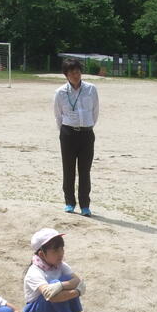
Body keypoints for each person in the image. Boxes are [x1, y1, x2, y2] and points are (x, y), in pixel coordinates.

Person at [23, 227, 96, 312]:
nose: (61, 253)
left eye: (62, 248)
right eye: (55, 250)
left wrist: (62, 285)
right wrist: (77, 292)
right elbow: (51, 296)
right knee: (54, 285)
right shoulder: (34, 272)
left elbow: (77, 280)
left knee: (64, 280)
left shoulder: (60, 264)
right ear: (42, 254)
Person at [54, 57, 99, 216]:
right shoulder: (60, 92)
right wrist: (66, 130)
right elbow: (58, 115)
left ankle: (85, 205)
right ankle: (69, 202)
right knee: (68, 169)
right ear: (66, 75)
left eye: (78, 72)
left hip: (87, 133)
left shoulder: (91, 89)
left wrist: (87, 125)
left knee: (85, 171)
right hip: (68, 133)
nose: (76, 75)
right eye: (72, 73)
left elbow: (95, 112)